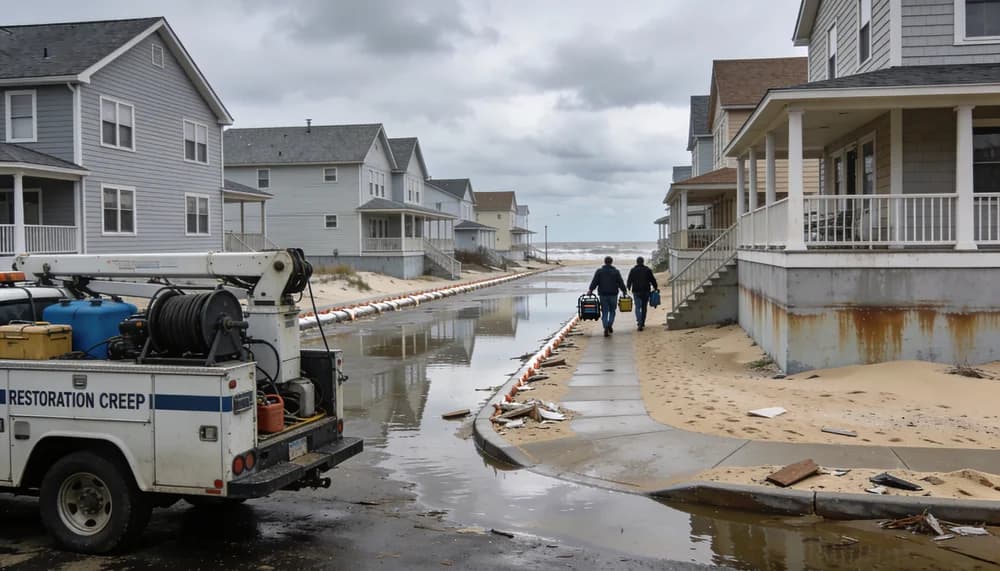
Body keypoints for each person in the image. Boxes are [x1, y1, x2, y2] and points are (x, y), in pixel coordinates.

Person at [588, 256, 627, 337]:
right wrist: (624, 290)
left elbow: (595, 281)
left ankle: (605, 327)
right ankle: (609, 325)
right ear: (611, 262)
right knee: (612, 311)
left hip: (603, 294)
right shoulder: (616, 272)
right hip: (613, 294)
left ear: (604, 262)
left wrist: (591, 290)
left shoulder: (599, 271)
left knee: (605, 311)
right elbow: (620, 282)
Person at [627, 256, 659, 331]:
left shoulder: (633, 270)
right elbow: (652, 279)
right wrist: (655, 287)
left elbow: (629, 280)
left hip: (636, 291)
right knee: (644, 308)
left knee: (637, 307)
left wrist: (628, 287)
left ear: (637, 262)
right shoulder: (647, 270)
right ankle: (642, 322)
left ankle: (639, 322)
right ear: (643, 262)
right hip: (645, 291)